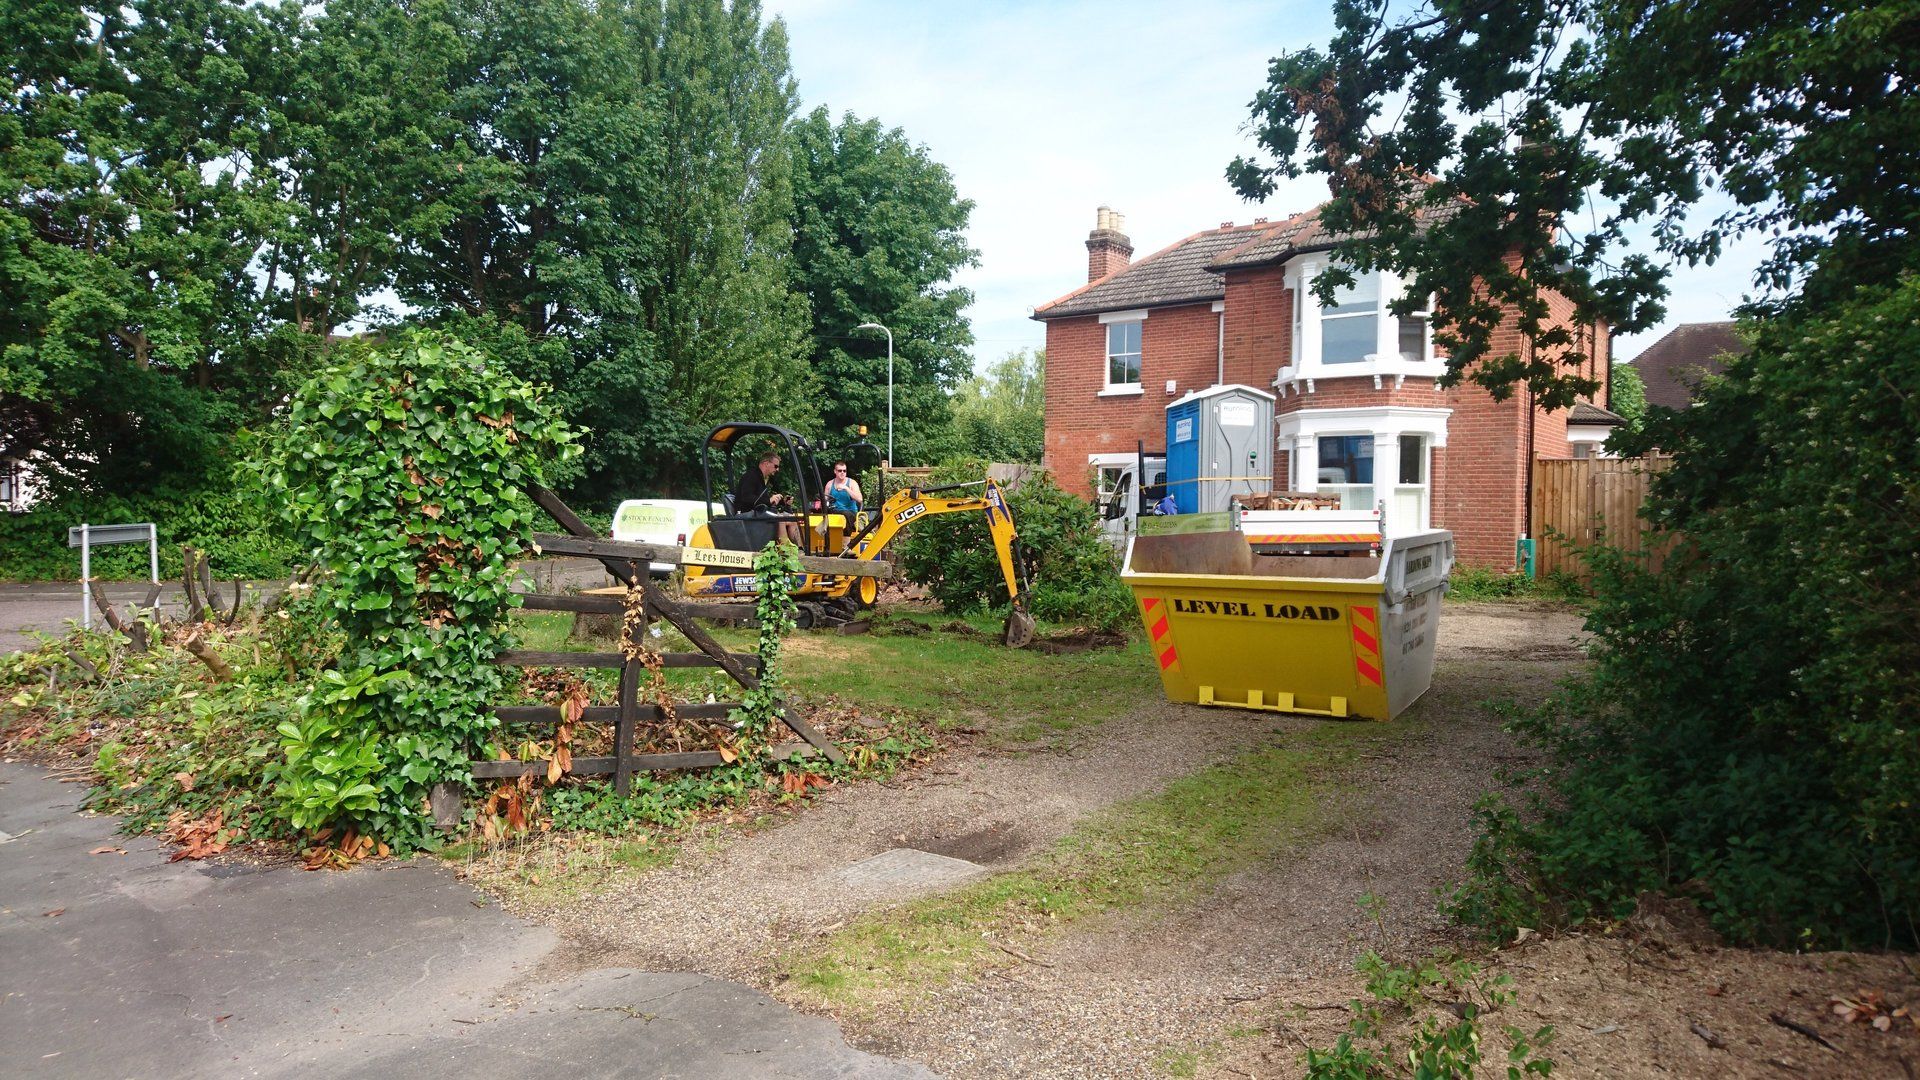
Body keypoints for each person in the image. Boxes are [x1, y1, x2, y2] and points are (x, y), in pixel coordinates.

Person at [731, 452, 802, 545]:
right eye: (776, 466)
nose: (777, 469)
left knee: (792, 519)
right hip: (746, 513)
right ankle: (785, 552)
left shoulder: (763, 478)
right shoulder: (751, 476)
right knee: (780, 519)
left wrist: (783, 503)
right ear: (766, 463)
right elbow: (746, 498)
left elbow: (762, 501)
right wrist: (769, 500)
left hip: (758, 512)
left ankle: (801, 550)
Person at [817, 460, 864, 548]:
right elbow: (825, 500)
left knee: (846, 514)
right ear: (835, 471)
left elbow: (860, 499)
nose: (842, 473)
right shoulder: (830, 484)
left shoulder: (852, 483)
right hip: (835, 511)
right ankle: (817, 541)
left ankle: (845, 545)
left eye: (844, 471)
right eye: (840, 471)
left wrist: (846, 488)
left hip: (850, 512)